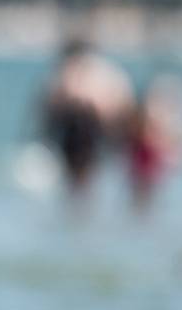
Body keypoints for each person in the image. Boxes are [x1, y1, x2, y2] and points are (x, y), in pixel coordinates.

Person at [37, 38, 134, 207]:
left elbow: (48, 108)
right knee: (86, 179)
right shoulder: (105, 73)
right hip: (86, 130)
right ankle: (82, 213)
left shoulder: (66, 73)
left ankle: (79, 213)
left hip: (85, 129)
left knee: (79, 181)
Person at [126, 73, 182, 220]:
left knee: (145, 192)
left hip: (145, 156)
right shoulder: (145, 115)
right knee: (144, 191)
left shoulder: (144, 114)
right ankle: (143, 218)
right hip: (143, 155)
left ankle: (142, 218)